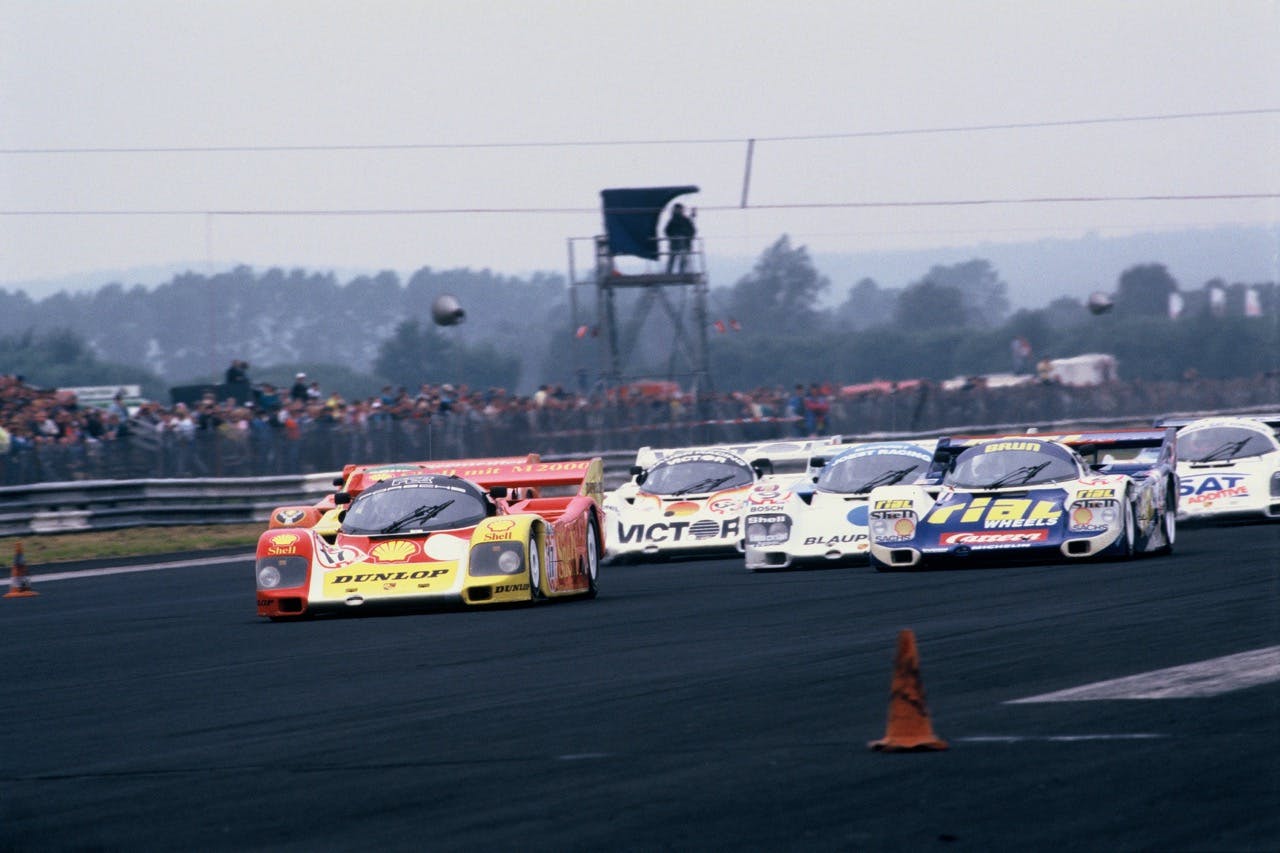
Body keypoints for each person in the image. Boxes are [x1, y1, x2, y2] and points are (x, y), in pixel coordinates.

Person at [664, 203, 697, 273]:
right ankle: (669, 272)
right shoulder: (672, 221)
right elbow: (667, 231)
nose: (678, 211)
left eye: (679, 209)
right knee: (673, 258)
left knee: (682, 258)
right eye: (676, 209)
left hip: (684, 244)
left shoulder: (685, 220)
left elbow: (692, 231)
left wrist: (686, 237)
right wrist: (673, 236)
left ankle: (681, 271)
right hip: (675, 244)